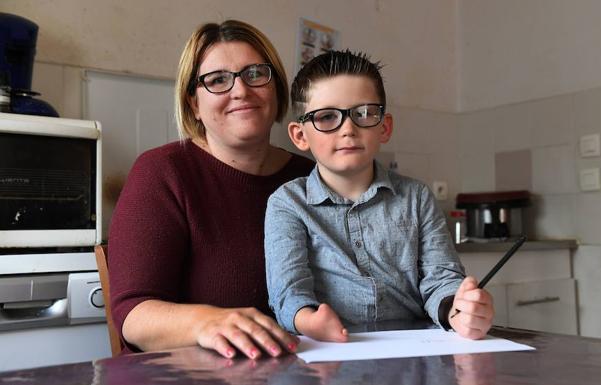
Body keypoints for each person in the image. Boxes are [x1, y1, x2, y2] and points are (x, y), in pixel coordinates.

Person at [107, 20, 315, 359]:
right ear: (193, 104)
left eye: (255, 74)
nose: (240, 91)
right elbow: (133, 315)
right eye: (217, 80)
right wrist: (207, 322)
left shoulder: (312, 177)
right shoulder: (163, 172)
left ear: (275, 88)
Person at [265, 50, 493, 342]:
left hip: (417, 354)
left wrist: (460, 312)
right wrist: (309, 320)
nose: (348, 129)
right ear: (300, 136)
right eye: (326, 117)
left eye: (364, 113)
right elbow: (287, 291)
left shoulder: (417, 198)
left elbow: (441, 280)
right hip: (328, 354)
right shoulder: (287, 203)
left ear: (384, 127)